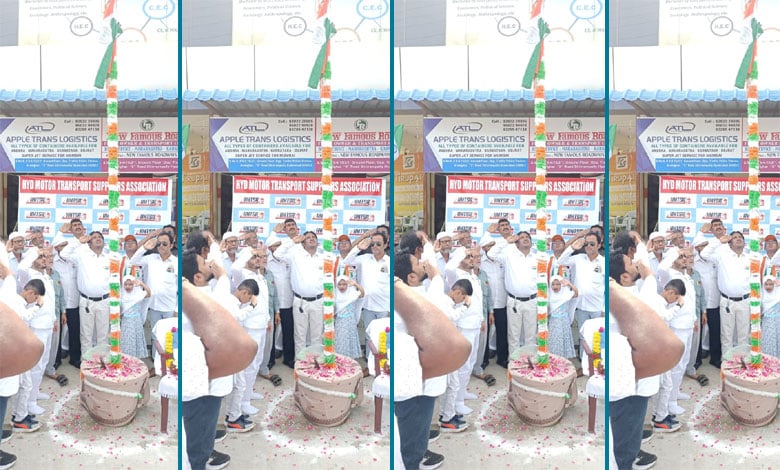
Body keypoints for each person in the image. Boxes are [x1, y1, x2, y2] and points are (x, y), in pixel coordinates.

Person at [181, 251, 257, 470]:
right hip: (202, 381)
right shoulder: (201, 298)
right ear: (197, 277)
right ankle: (199, 462)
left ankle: (202, 457)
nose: (210, 265)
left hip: (210, 378)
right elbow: (224, 298)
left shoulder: (202, 293)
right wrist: (222, 273)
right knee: (199, 428)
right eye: (205, 264)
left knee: (204, 426)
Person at [334, 275, 365, 363]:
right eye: (339, 284)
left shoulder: (351, 294)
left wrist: (355, 284)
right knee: (340, 341)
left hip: (350, 322)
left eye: (344, 284)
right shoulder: (336, 295)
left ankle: (349, 362)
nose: (342, 287)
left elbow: (362, 293)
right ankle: (340, 361)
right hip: (340, 322)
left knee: (349, 341)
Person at [120, 276, 151, 361]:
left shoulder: (138, 294)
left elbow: (149, 293)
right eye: (125, 284)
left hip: (136, 321)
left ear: (134, 285)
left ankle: (134, 361)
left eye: (130, 284)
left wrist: (141, 283)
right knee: (127, 341)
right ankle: (126, 360)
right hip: (126, 322)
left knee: (135, 341)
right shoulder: (121, 295)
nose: (128, 286)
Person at [548, 275, 578, 362]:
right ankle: (554, 360)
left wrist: (569, 284)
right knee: (554, 342)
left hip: (564, 322)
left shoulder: (565, 294)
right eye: (553, 284)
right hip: (554, 322)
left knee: (563, 341)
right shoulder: (549, 295)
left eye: (558, 284)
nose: (555, 287)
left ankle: (562, 362)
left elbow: (576, 293)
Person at [762, 275, 780, 357]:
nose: (768, 286)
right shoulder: (762, 296)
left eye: (771, 284)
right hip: (767, 324)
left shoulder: (778, 295)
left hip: (777, 324)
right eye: (766, 284)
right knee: (768, 340)